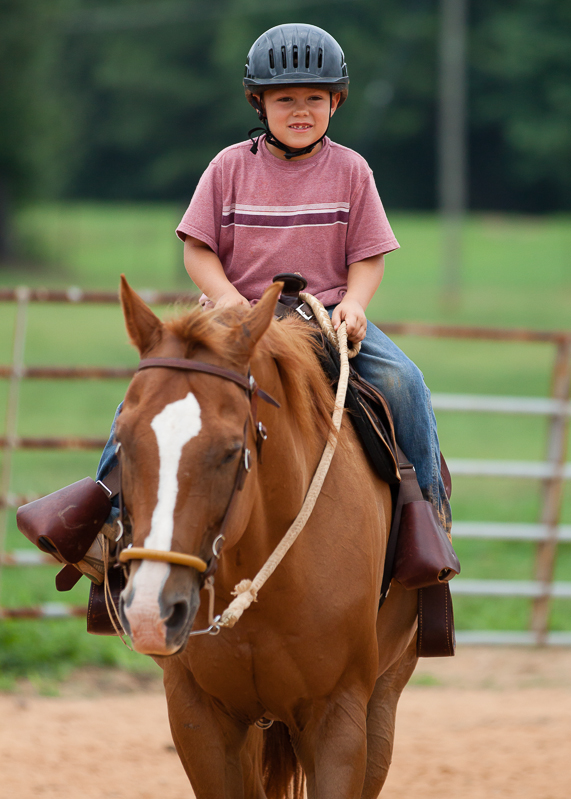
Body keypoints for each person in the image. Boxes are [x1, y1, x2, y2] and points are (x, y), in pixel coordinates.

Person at [91, 22, 450, 582]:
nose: (301, 110)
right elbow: (198, 249)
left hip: (324, 320)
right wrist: (230, 300)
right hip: (234, 323)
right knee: (149, 398)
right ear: (259, 103)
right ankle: (103, 517)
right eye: (286, 99)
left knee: (405, 382)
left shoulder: (352, 170)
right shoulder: (229, 166)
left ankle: (424, 517)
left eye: (315, 98)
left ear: (337, 101)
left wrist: (354, 304)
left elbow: (369, 255)